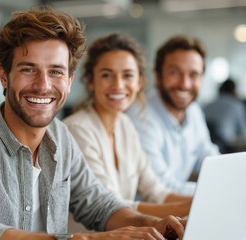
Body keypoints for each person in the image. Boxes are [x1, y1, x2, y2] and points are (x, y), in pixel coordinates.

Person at [0, 7, 185, 240]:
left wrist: (153, 225)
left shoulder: (60, 136)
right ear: (4, 75)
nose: (43, 85)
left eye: (56, 71)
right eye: (28, 69)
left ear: (70, 80)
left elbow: (98, 204)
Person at [63, 33, 192, 220]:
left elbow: (155, 191)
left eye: (128, 75)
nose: (118, 85)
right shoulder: (77, 130)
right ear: (91, 81)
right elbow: (110, 206)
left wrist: (197, 201)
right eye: (107, 75)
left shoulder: (125, 125)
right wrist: (187, 208)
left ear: (139, 82)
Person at [126, 35, 246, 198]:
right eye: (175, 73)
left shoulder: (193, 110)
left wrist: (245, 180)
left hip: (181, 213)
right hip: (146, 217)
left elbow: (210, 160)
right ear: (158, 76)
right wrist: (235, 189)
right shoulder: (140, 117)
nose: (185, 84)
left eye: (194, 75)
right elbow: (160, 188)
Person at [203, 78, 246, 153]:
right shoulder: (237, 105)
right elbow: (243, 132)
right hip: (227, 147)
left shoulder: (208, 105)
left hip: (207, 148)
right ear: (234, 91)